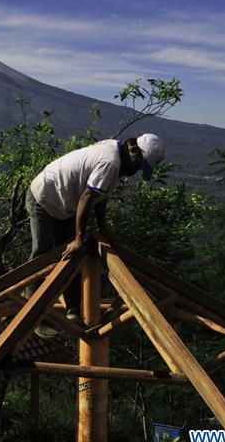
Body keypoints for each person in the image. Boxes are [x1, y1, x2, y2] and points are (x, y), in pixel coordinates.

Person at [26, 134, 165, 323]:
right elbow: (87, 198)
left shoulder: (115, 150)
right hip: (45, 196)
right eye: (139, 163)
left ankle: (72, 310)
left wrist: (102, 227)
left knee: (70, 257)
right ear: (133, 150)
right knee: (43, 253)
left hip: (65, 203)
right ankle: (33, 311)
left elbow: (100, 195)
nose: (137, 169)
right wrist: (78, 238)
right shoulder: (111, 163)